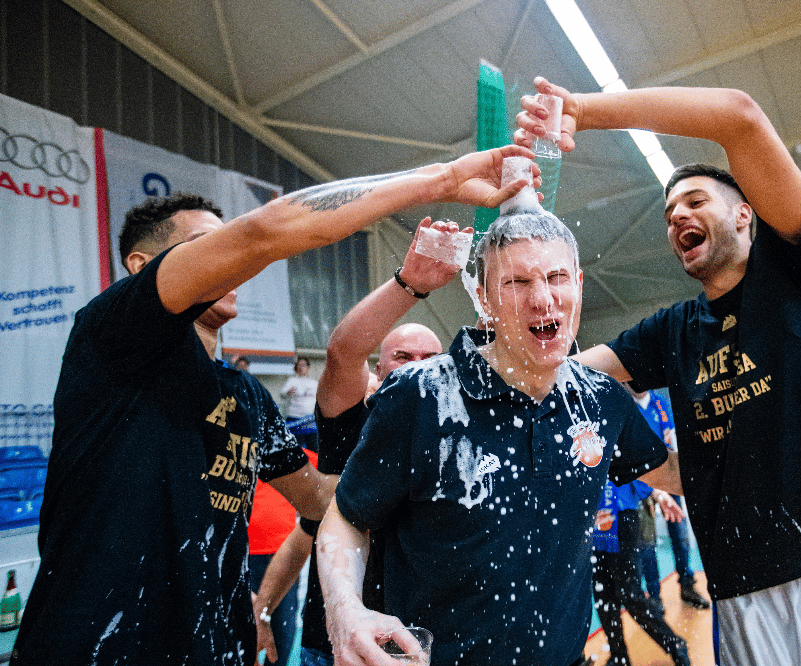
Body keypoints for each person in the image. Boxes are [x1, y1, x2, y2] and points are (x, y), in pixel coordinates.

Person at [11, 143, 540, 666]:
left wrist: (432, 479)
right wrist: (442, 179)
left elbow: (315, 498)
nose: (233, 262)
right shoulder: (111, 341)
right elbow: (265, 234)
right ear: (142, 267)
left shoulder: (245, 396)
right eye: (206, 246)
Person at [516, 79, 801, 666]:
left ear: (744, 213)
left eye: (694, 200)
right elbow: (566, 378)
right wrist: (533, 296)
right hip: (743, 590)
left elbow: (738, 115)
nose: (677, 214)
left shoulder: (794, 276)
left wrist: (584, 110)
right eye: (668, 213)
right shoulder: (670, 330)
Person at [317, 210, 682, 666]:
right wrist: (344, 611)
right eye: (516, 283)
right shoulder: (422, 395)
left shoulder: (600, 399)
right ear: (485, 299)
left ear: (580, 284)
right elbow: (347, 516)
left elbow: (671, 473)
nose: (543, 298)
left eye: (557, 277)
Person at [253, 217, 461, 666]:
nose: (415, 367)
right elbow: (307, 533)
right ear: (379, 372)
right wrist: (263, 609)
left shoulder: (458, 434)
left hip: (420, 642)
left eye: (429, 359)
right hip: (336, 643)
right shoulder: (353, 420)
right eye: (401, 358)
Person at [592, 477, 689, 666]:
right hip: (594, 526)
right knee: (603, 596)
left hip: (622, 518)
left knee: (630, 595)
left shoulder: (615, 447)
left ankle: (675, 644)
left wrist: (658, 492)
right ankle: (618, 656)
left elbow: (635, 465)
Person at [629, 387, 710, 610]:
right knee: (647, 543)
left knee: (680, 534)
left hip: (668, 475)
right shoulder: (625, 406)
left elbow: (672, 437)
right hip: (641, 482)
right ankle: (654, 595)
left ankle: (687, 584)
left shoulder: (659, 401)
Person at [246, 446, 319, 666]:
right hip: (245, 557)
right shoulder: (230, 451)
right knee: (242, 638)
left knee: (281, 641)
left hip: (286, 557)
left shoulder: (296, 455)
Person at [281, 357, 320, 450]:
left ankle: (313, 465)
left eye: (303, 365)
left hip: (310, 420)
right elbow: (282, 394)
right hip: (295, 419)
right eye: (299, 365)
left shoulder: (314, 383)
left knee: (313, 448)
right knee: (295, 449)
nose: (301, 367)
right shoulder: (292, 381)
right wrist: (288, 393)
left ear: (308, 367)